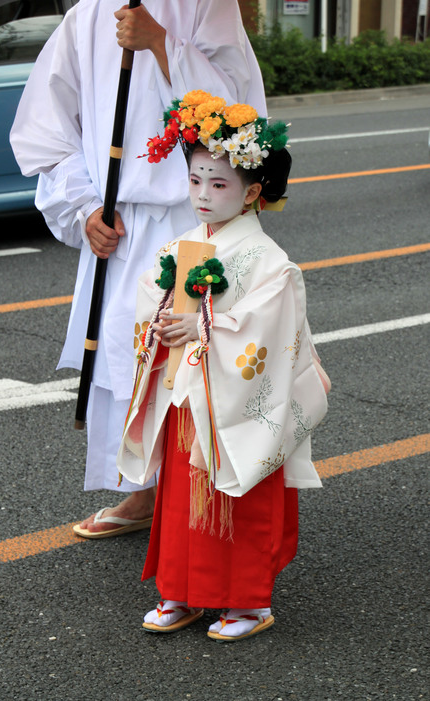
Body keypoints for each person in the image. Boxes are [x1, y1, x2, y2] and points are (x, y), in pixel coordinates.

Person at [9, 0, 267, 537]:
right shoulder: (87, 15)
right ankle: (141, 491)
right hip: (119, 224)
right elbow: (46, 127)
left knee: (192, 356)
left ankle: (200, 491)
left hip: (192, 220)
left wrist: (161, 43)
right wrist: (83, 206)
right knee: (126, 361)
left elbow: (237, 116)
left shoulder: (205, 5)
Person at [116, 92, 330, 641]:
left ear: (253, 192)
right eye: (195, 181)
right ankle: (181, 591)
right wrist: (164, 317)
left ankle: (247, 602)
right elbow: (152, 295)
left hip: (237, 401)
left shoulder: (269, 260)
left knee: (238, 491)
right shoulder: (187, 244)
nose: (204, 195)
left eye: (219, 184)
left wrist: (206, 330)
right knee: (183, 492)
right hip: (191, 393)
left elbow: (271, 324)